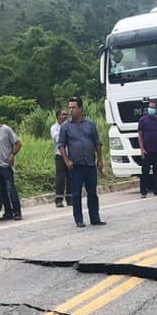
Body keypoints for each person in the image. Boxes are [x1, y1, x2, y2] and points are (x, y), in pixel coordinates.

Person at [57, 96, 105, 227]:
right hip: (75, 166)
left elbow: (97, 143)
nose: (70, 110)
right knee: (76, 194)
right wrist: (66, 160)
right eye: (69, 107)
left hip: (89, 164)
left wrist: (100, 160)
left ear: (80, 109)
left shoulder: (90, 124)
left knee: (92, 193)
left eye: (73, 107)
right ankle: (78, 219)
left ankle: (95, 218)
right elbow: (61, 145)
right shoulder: (66, 126)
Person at [137, 99, 157, 197]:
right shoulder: (143, 120)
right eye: (149, 107)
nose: (151, 109)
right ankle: (143, 191)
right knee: (145, 172)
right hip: (147, 150)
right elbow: (140, 135)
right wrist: (142, 149)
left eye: (153, 107)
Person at [50, 108, 71, 207]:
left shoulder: (70, 126)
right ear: (58, 116)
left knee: (71, 177)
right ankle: (58, 199)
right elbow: (58, 139)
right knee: (61, 177)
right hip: (60, 155)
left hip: (71, 154)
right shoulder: (55, 127)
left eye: (66, 114)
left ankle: (70, 198)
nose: (66, 116)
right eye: (63, 114)